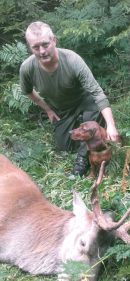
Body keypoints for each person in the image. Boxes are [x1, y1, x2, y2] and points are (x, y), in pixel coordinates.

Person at [20, 21, 120, 176]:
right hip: (62, 109)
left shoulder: (72, 60)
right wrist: (48, 109)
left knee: (92, 113)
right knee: (63, 146)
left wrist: (111, 125)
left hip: (85, 102)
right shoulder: (27, 68)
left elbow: (97, 93)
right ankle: (81, 128)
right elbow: (28, 92)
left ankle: (82, 159)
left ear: (54, 40)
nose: (42, 51)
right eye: (35, 47)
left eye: (45, 44)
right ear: (30, 47)